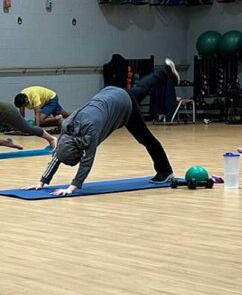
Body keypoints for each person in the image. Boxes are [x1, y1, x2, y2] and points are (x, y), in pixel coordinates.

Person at [31, 60, 180, 197]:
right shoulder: (66, 126)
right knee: (139, 89)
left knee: (146, 139)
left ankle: (165, 171)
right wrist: (42, 182)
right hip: (108, 93)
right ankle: (163, 73)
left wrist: (72, 187)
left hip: (123, 105)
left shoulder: (90, 132)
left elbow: (87, 162)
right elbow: (57, 154)